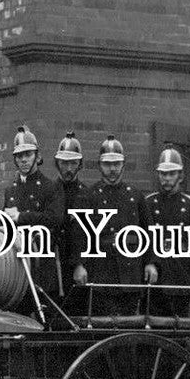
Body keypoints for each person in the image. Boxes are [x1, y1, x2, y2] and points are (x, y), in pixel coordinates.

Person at [70, 135, 156, 315]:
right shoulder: (88, 196)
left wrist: (151, 263)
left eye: (116, 164)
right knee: (102, 325)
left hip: (130, 272)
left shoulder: (135, 196)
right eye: (107, 164)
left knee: (130, 325)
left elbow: (149, 232)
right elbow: (79, 234)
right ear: (100, 165)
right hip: (101, 272)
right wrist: (79, 264)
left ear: (123, 165)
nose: (112, 169)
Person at [142, 145, 190, 317]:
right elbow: (140, 241)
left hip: (181, 277)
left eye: (171, 174)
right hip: (156, 279)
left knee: (182, 328)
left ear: (181, 175)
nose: (166, 178)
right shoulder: (149, 204)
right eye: (163, 174)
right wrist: (149, 262)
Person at [2, 125, 64, 302]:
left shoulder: (51, 187)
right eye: (19, 156)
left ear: (37, 156)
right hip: (16, 269)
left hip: (42, 266)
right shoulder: (10, 191)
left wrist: (22, 217)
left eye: (28, 155)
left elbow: (55, 219)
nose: (23, 160)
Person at [53, 131, 86, 305]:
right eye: (64, 163)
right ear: (57, 164)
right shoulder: (48, 191)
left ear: (80, 164)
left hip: (80, 267)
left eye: (73, 163)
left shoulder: (87, 194)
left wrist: (79, 263)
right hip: (53, 266)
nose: (68, 168)